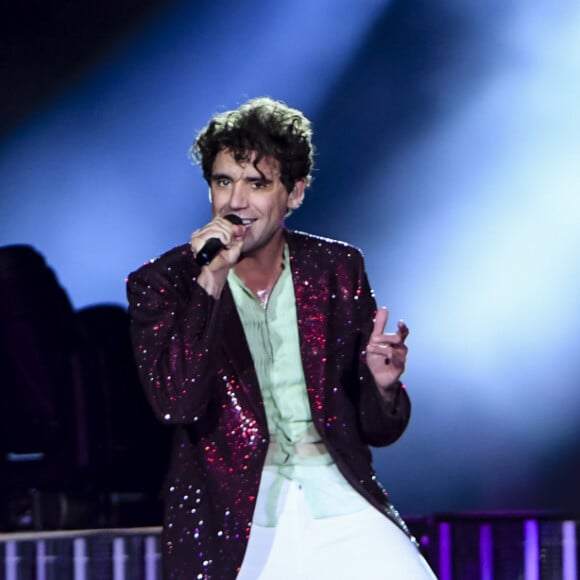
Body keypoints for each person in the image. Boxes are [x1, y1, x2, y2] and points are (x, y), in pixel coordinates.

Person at [126, 97, 436, 579]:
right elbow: (177, 403)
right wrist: (209, 283)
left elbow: (379, 430)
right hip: (232, 515)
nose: (236, 201)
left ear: (294, 193)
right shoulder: (164, 284)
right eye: (224, 181)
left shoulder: (336, 269)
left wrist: (383, 384)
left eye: (257, 183)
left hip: (338, 495)